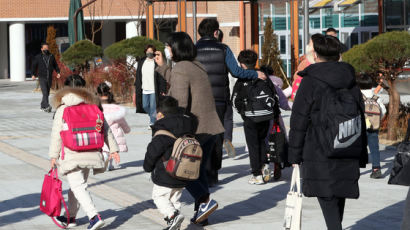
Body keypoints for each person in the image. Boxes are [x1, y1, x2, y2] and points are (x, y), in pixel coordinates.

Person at [288, 34, 368, 230]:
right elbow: (360, 115)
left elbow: (299, 119)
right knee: (337, 198)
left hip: (319, 150)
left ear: (315, 55)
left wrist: (293, 155)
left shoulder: (310, 80)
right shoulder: (350, 79)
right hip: (347, 143)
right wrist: (361, 153)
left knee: (328, 199)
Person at [154, 32, 224, 225]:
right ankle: (203, 214)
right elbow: (181, 82)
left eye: (168, 46)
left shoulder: (181, 69)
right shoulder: (195, 65)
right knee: (197, 170)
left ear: (175, 48)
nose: (167, 50)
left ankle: (205, 201)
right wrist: (163, 68)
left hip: (197, 128)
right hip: (211, 127)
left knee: (184, 170)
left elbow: (179, 101)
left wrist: (165, 119)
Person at [195, 18, 266, 186]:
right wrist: (255, 74)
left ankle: (201, 172)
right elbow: (236, 72)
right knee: (217, 138)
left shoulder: (193, 50)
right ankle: (213, 174)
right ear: (216, 32)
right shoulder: (223, 49)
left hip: (199, 100)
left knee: (201, 136)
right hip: (219, 100)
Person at [50, 76, 120, 230]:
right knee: (77, 186)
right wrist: (113, 149)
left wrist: (53, 156)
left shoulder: (63, 108)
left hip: (71, 153)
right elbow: (105, 128)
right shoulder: (93, 105)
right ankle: (71, 218)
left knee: (78, 186)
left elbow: (56, 134)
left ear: (65, 88)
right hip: (91, 151)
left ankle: (94, 217)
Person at [143, 96, 197, 230]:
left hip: (166, 172)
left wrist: (147, 167)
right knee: (174, 200)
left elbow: (153, 151)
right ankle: (175, 226)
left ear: (160, 114)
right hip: (184, 171)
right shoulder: (188, 125)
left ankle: (172, 216)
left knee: (159, 197)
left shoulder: (162, 130)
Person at [233, 50, 273, 185]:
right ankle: (264, 165)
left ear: (242, 64)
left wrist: (243, 113)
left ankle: (257, 174)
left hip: (250, 117)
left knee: (253, 145)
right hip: (266, 116)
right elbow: (273, 94)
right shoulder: (263, 76)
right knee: (262, 141)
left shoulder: (242, 79)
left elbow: (235, 100)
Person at [260, 65, 292, 180]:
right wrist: (298, 106)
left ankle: (264, 166)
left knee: (261, 144)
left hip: (258, 120)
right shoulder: (275, 86)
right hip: (274, 120)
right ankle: (277, 165)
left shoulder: (253, 85)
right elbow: (284, 104)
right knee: (277, 143)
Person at [357, 74, 386, 178]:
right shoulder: (376, 97)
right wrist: (376, 120)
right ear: (370, 84)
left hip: (359, 127)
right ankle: (376, 169)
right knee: (374, 148)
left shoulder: (357, 96)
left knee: (357, 147)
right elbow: (383, 111)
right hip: (373, 126)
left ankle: (356, 169)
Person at [97, 81, 131, 171]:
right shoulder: (115, 108)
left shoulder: (96, 107)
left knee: (105, 149)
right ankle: (110, 164)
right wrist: (127, 129)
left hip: (101, 132)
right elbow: (122, 121)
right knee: (112, 149)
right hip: (114, 134)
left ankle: (105, 159)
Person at [134, 44, 167, 128]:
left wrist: (163, 89)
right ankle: (154, 117)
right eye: (148, 51)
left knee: (153, 107)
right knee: (145, 106)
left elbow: (162, 77)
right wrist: (136, 87)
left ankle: (152, 123)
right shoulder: (142, 62)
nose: (149, 53)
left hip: (154, 89)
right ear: (145, 52)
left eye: (151, 51)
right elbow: (138, 76)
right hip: (144, 88)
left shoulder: (156, 62)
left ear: (154, 52)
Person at [217, 28, 236, 159]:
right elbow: (235, 72)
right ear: (221, 38)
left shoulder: (200, 50)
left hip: (208, 94)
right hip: (225, 91)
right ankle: (227, 138)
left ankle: (217, 145)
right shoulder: (226, 50)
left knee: (214, 121)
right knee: (227, 118)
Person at [31, 42, 61, 112]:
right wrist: (33, 74)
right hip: (42, 77)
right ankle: (47, 106)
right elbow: (34, 66)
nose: (46, 50)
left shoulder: (51, 56)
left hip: (49, 77)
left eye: (47, 48)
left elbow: (55, 65)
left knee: (47, 93)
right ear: (41, 49)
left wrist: (58, 72)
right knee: (45, 92)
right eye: (44, 48)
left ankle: (42, 105)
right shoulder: (38, 57)